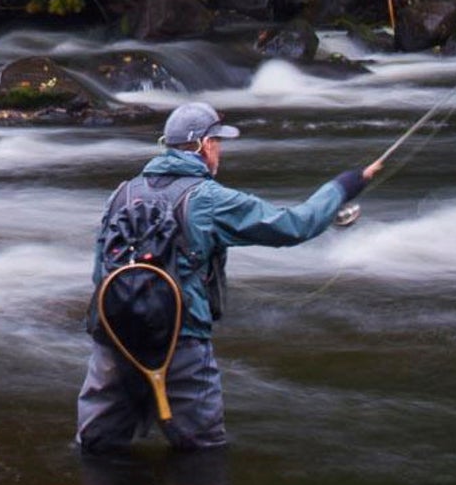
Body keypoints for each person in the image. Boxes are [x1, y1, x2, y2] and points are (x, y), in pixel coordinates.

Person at [75, 101, 386, 454]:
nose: (219, 152)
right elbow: (294, 225)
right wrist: (345, 185)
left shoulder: (121, 193)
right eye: (218, 143)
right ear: (205, 145)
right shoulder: (209, 198)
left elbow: (101, 271)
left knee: (97, 451)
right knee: (202, 455)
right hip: (182, 344)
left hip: (113, 342)